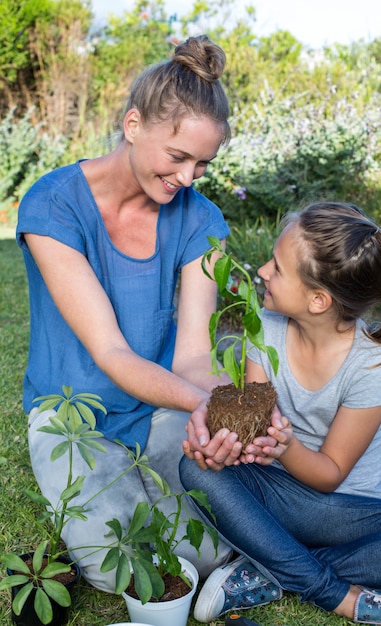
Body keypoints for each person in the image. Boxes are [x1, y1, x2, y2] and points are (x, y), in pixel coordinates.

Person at [16, 34, 240, 591]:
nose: (188, 178)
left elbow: (191, 353)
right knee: (123, 567)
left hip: (161, 403)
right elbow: (110, 351)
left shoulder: (201, 220)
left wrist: (219, 412)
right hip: (71, 416)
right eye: (178, 156)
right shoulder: (53, 204)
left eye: (203, 164)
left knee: (210, 552)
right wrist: (204, 403)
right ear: (134, 125)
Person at [180, 202, 381, 625]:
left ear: (319, 300)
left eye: (278, 268)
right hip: (282, 499)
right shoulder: (265, 327)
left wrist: (285, 446)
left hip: (351, 514)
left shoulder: (370, 366)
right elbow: (255, 430)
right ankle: (330, 589)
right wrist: (224, 445)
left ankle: (273, 568)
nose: (263, 271)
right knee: (194, 469)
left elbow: (330, 474)